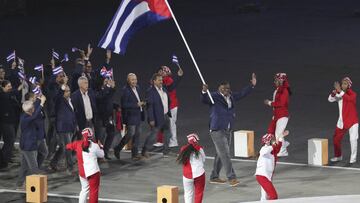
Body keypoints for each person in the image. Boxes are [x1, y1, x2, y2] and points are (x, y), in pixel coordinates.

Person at [201, 73, 257, 187]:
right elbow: (205, 100)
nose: (226, 90)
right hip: (217, 129)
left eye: (227, 88)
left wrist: (251, 85)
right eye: (223, 88)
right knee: (225, 154)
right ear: (219, 89)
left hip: (227, 129)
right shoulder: (214, 96)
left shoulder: (231, 96)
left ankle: (214, 176)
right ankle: (231, 177)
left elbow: (241, 94)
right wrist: (203, 91)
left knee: (220, 154)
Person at [66, 128, 104, 203]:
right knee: (93, 191)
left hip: (82, 173)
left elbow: (67, 146)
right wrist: (101, 146)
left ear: (82, 135)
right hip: (93, 172)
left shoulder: (77, 143)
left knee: (84, 190)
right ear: (92, 136)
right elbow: (102, 155)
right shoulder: (95, 146)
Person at [16, 96, 47, 188]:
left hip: (30, 144)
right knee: (34, 168)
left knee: (25, 166)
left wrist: (39, 100)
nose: (35, 108)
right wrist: (41, 103)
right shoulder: (25, 119)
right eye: (33, 107)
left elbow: (37, 114)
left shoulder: (29, 115)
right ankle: (30, 185)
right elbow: (35, 115)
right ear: (31, 110)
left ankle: (19, 183)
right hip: (28, 147)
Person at [114, 73, 145, 161]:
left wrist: (142, 104)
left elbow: (138, 99)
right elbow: (124, 104)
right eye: (132, 80)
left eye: (135, 79)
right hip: (130, 116)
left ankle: (135, 154)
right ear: (128, 81)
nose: (135, 81)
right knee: (130, 133)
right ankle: (118, 148)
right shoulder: (125, 90)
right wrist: (136, 105)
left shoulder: (138, 88)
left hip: (138, 114)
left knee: (138, 134)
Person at [328, 77, 358, 165]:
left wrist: (339, 91)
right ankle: (338, 156)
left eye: (345, 84)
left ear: (349, 85)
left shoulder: (353, 94)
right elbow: (330, 99)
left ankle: (353, 159)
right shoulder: (339, 93)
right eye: (342, 83)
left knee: (353, 140)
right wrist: (333, 94)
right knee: (336, 139)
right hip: (342, 121)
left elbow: (348, 98)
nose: (343, 85)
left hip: (352, 121)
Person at [142, 73, 172, 158]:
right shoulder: (150, 91)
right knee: (153, 134)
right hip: (156, 117)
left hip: (165, 115)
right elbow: (149, 106)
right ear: (154, 81)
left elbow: (167, 100)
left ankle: (166, 151)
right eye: (159, 80)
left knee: (167, 133)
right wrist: (151, 119)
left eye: (161, 80)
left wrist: (167, 109)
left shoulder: (164, 89)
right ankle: (145, 150)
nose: (161, 82)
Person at [154, 66, 183, 147]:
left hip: (172, 105)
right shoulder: (158, 80)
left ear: (167, 73)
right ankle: (160, 141)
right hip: (163, 105)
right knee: (160, 123)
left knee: (171, 124)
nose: (162, 72)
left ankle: (174, 141)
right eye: (161, 71)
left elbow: (170, 88)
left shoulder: (169, 80)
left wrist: (179, 77)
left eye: (164, 71)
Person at [255, 130, 289, 201]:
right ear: (268, 142)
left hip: (267, 177)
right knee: (273, 196)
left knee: (264, 197)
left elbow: (278, 147)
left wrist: (281, 136)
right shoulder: (264, 149)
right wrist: (273, 145)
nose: (274, 141)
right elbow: (264, 152)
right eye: (272, 139)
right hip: (262, 176)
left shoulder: (273, 150)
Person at [50, 84, 76, 172]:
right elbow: (58, 96)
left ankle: (53, 162)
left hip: (70, 127)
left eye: (69, 91)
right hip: (63, 127)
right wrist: (62, 89)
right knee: (68, 147)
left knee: (63, 148)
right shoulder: (60, 100)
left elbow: (72, 114)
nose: (68, 92)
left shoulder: (70, 101)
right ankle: (70, 167)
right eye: (66, 91)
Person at [264, 73, 291, 157]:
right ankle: (284, 143)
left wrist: (269, 103)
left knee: (278, 134)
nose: (274, 81)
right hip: (277, 115)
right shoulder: (278, 90)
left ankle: (283, 151)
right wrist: (274, 114)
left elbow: (281, 103)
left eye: (276, 80)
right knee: (275, 133)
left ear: (281, 80)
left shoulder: (284, 91)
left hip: (282, 115)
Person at [177, 133, 205, 203]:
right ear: (196, 141)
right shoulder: (200, 149)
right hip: (199, 174)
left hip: (187, 175)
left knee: (188, 193)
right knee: (199, 193)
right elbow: (203, 159)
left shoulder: (183, 149)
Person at [0, 80, 22, 169]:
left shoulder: (8, 95)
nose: (10, 88)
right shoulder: (2, 95)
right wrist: (18, 88)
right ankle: (3, 162)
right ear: (2, 87)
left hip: (10, 121)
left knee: (9, 142)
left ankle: (5, 160)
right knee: (9, 141)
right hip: (6, 122)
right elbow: (9, 95)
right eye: (8, 86)